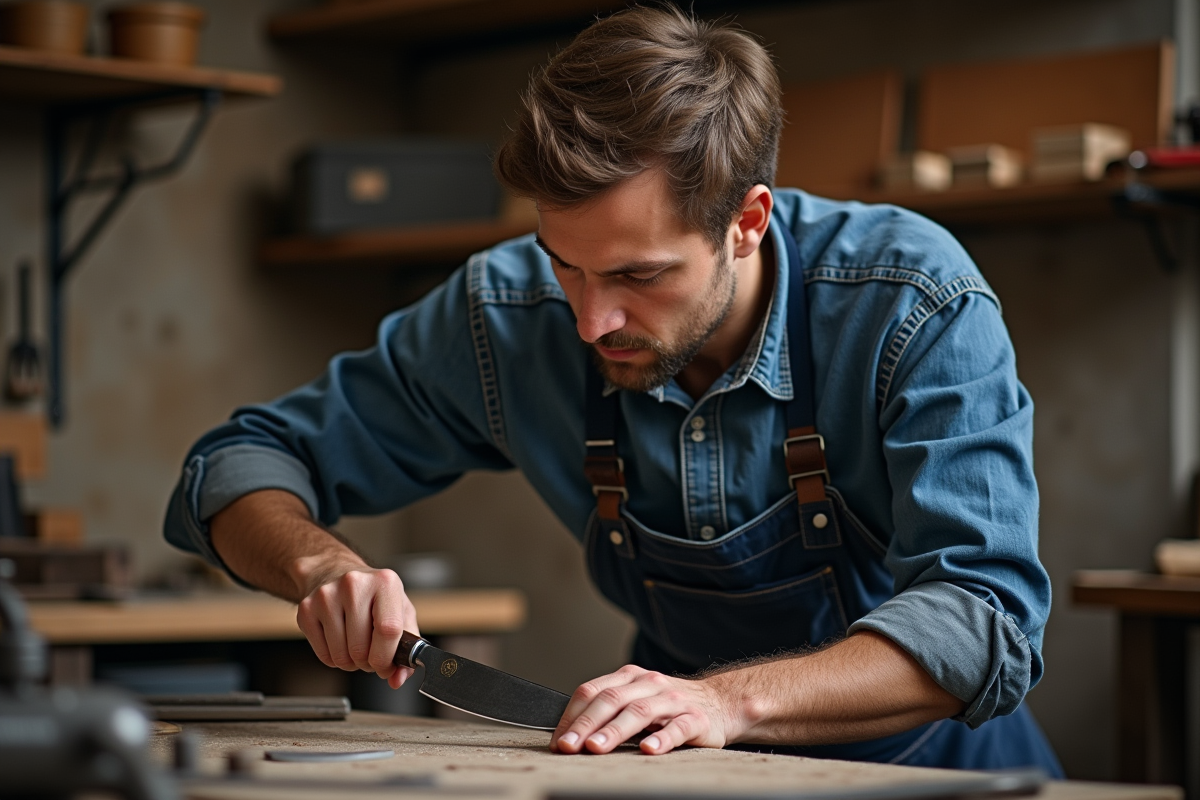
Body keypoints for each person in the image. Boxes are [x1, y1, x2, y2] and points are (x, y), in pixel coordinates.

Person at [164, 6, 1062, 773]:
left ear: (746, 222)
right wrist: (323, 567)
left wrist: (727, 703)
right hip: (685, 777)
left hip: (933, 776)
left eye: (639, 274)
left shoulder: (911, 301)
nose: (592, 321)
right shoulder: (503, 312)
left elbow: (983, 619)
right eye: (568, 266)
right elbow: (234, 466)